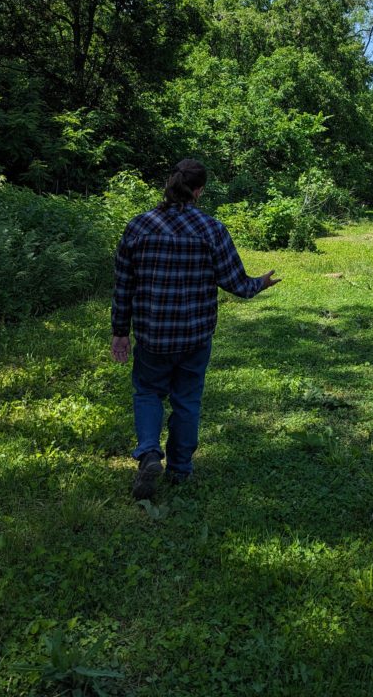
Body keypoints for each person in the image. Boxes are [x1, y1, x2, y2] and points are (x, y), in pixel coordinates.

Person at [111, 158, 280, 499]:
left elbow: (123, 284)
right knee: (187, 400)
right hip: (194, 336)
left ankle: (147, 452)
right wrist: (260, 283)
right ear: (199, 190)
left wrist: (120, 331)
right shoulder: (211, 229)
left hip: (152, 335)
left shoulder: (139, 226)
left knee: (147, 393)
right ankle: (180, 470)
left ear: (169, 183)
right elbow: (236, 283)